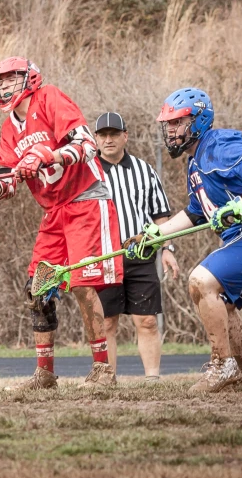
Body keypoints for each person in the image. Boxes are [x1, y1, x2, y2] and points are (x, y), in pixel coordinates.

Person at [0, 56, 124, 390]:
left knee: (79, 282)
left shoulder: (50, 99)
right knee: (39, 288)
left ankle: (103, 371)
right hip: (54, 212)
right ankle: (45, 375)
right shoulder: (9, 130)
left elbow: (87, 145)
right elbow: (7, 181)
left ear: (29, 78)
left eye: (10, 79)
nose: (4, 86)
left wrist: (49, 155)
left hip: (85, 199)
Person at [124, 87, 242, 393]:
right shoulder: (194, 162)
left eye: (177, 122)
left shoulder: (218, 144)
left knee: (201, 281)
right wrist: (156, 234)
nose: (170, 130)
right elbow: (196, 212)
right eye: (167, 124)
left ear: (199, 120)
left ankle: (222, 365)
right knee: (223, 302)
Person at [93, 112, 179, 382]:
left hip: (141, 254)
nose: (109, 140)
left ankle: (152, 380)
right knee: (107, 322)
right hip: (105, 256)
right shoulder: (86, 173)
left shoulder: (144, 170)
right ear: (95, 139)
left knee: (148, 321)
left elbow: (160, 214)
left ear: (125, 136)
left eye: (114, 134)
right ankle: (109, 379)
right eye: (103, 135)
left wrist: (167, 249)